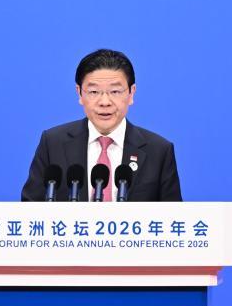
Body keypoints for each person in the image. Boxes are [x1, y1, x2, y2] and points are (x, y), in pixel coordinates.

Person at [21, 49, 182, 202]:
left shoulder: (159, 151)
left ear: (131, 93)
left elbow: (174, 217)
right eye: (94, 92)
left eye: (115, 91)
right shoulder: (52, 143)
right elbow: (29, 209)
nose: (105, 102)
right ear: (79, 93)